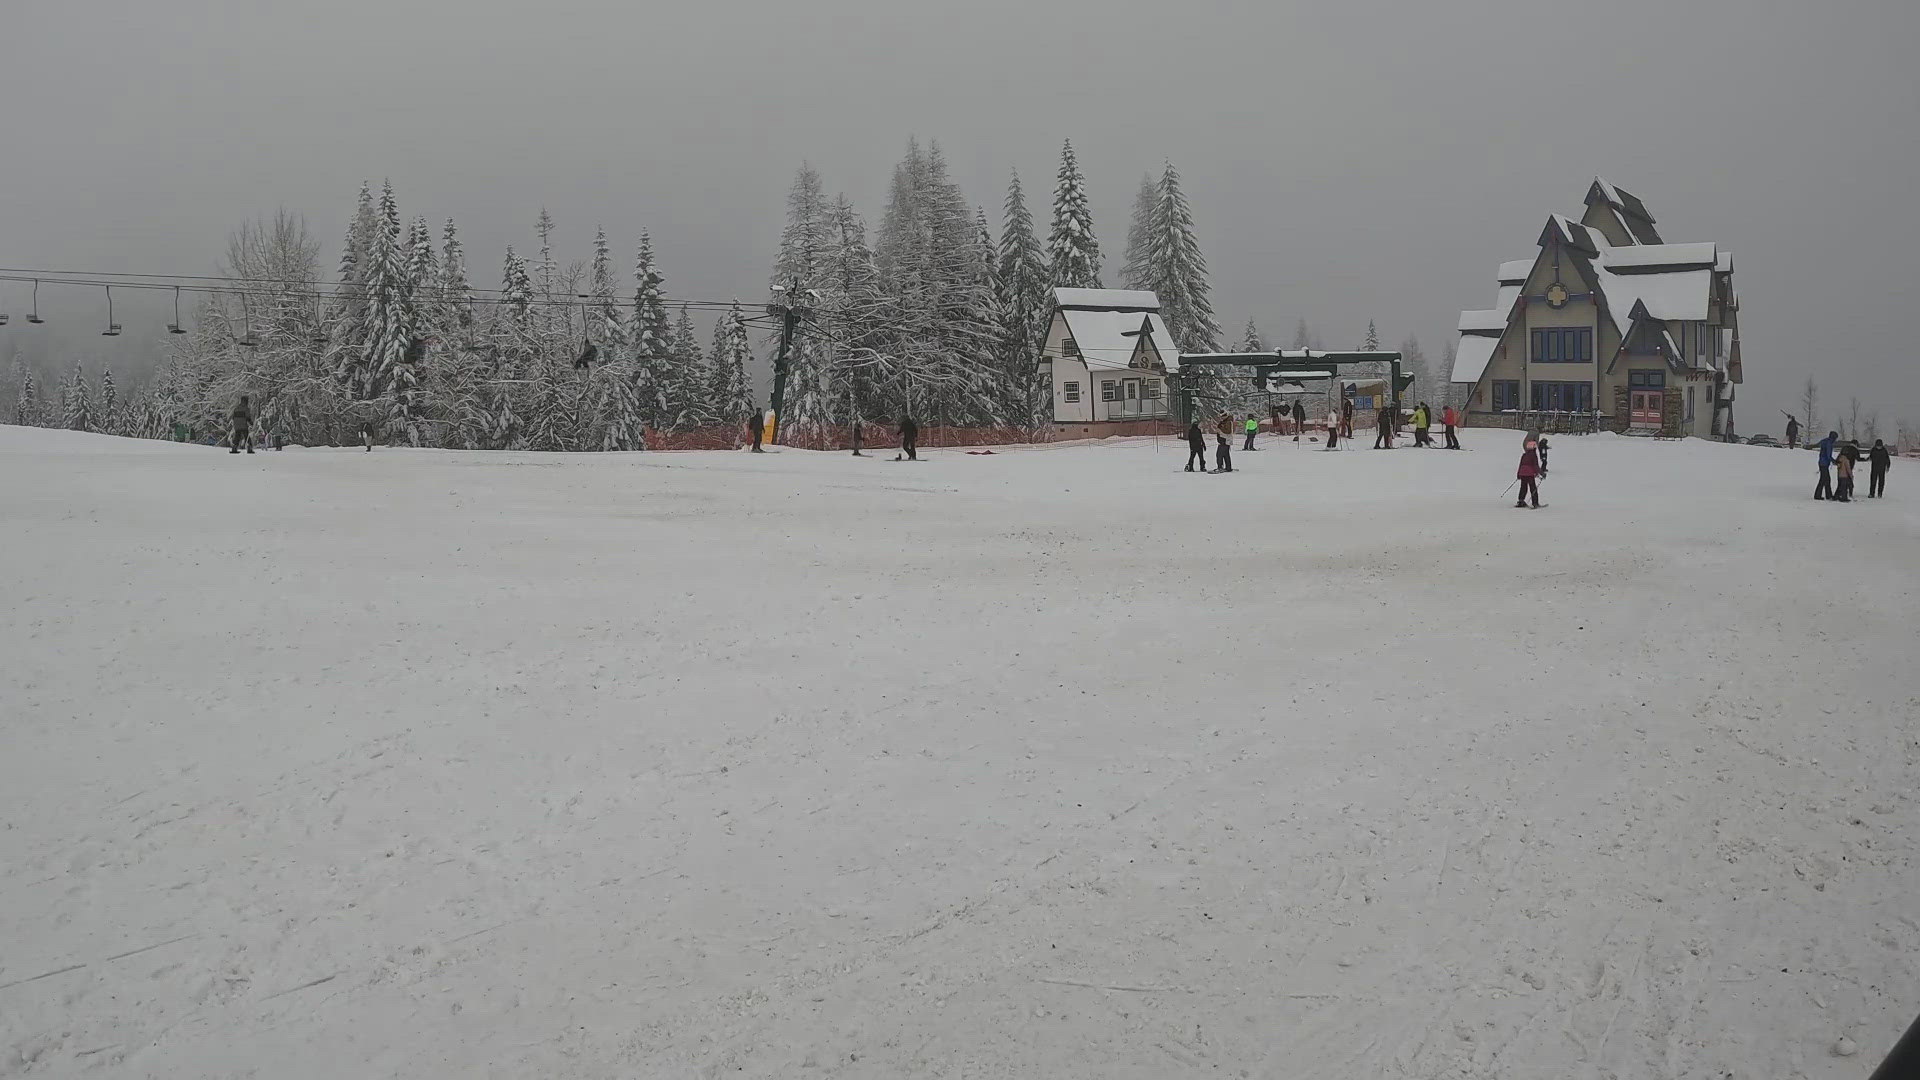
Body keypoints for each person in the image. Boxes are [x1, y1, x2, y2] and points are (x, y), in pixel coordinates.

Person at [1516, 434, 1542, 509]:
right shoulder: (1533, 455)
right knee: (1533, 488)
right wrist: (1541, 473)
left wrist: (1518, 474)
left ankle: (1521, 500)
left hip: (1523, 473)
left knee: (1523, 487)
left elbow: (1521, 465)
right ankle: (1535, 502)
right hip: (1529, 474)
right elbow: (1535, 466)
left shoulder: (1524, 455)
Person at [1814, 430, 1837, 499]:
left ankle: (1828, 495)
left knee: (1826, 479)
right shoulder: (1829, 443)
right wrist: (1833, 461)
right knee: (1824, 479)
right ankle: (1818, 495)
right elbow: (1828, 454)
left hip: (1821, 462)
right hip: (1824, 463)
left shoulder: (1824, 441)